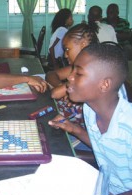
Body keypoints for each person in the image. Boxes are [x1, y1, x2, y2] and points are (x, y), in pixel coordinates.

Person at [48, 43, 132, 195]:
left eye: (78, 73)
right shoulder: (89, 109)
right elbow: (105, 148)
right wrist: (75, 129)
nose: (69, 78)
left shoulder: (130, 128)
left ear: (104, 85)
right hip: (104, 189)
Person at [46, 23, 99, 152]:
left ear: (83, 45)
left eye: (67, 49)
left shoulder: (94, 74)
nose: (65, 55)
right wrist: (65, 87)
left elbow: (54, 94)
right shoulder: (76, 68)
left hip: (85, 138)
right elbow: (51, 74)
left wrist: (68, 87)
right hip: (72, 125)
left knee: (44, 140)